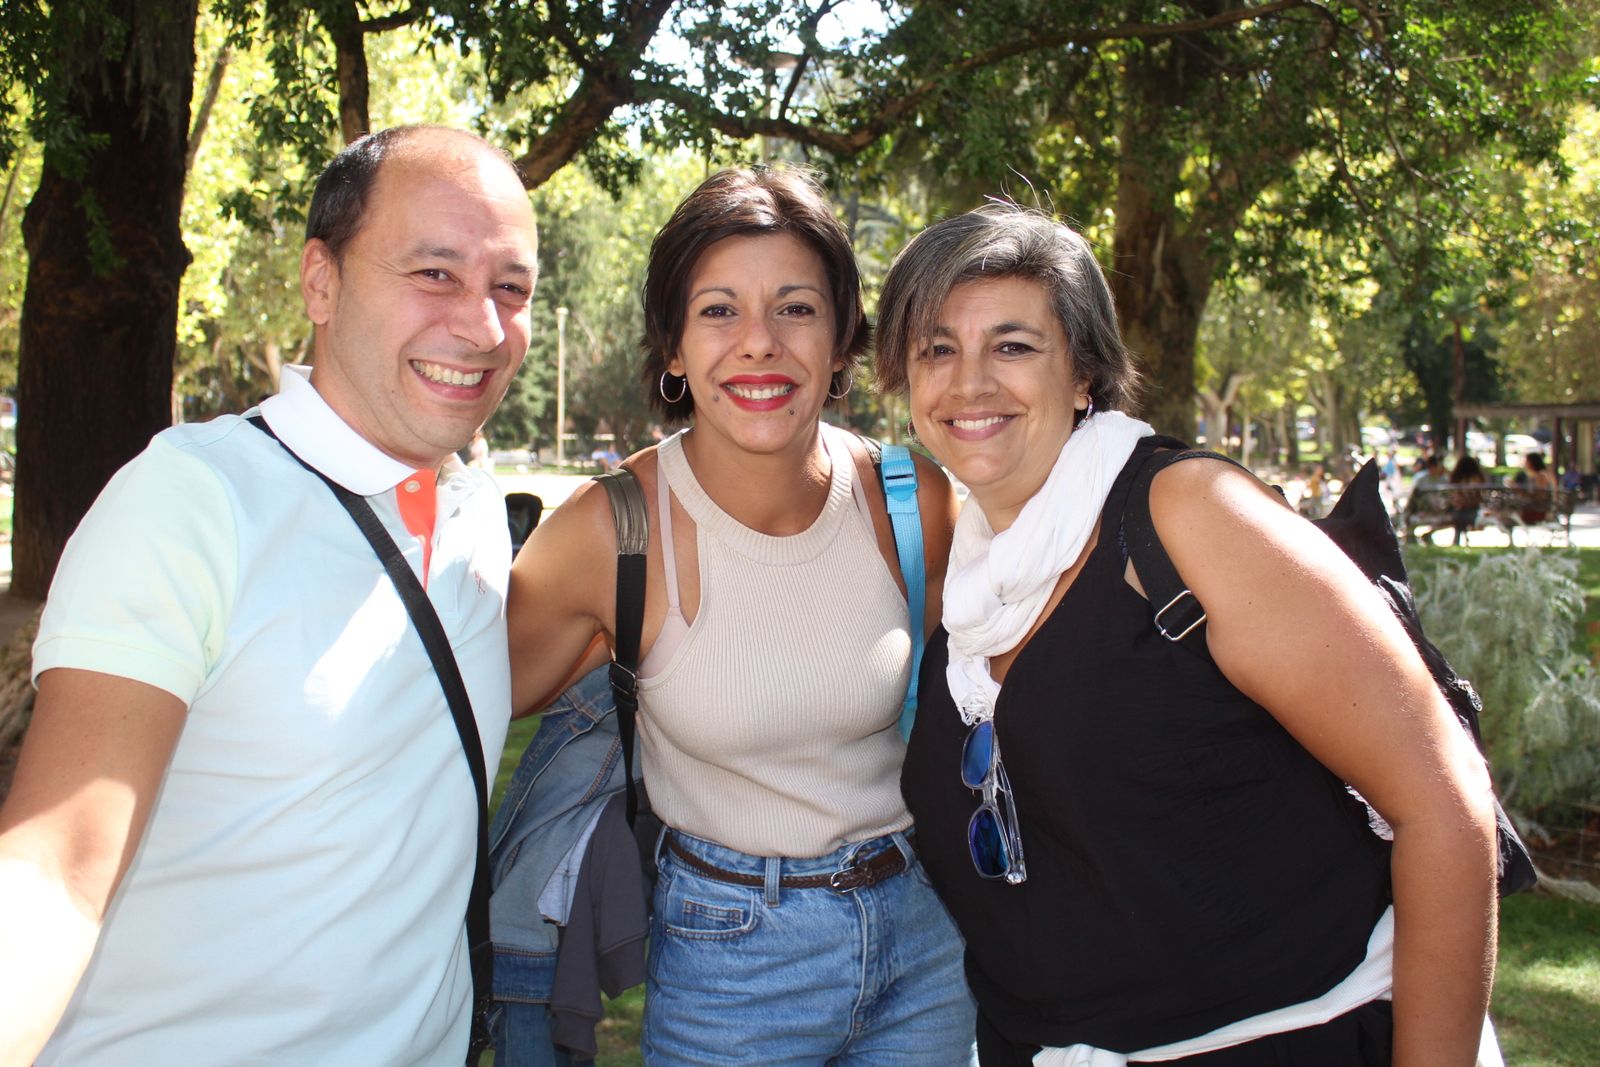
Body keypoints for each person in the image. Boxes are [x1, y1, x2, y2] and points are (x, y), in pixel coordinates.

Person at [874, 205, 1499, 1066]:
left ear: (1085, 372)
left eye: (1013, 345)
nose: (970, 381)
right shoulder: (968, 572)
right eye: (936, 349)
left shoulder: (1185, 516)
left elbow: (1444, 801)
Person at [0, 125, 539, 1064]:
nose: (483, 326)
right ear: (319, 281)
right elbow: (55, 869)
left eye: (512, 288)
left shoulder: (475, 516)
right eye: (434, 274)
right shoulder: (193, 501)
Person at [505, 166, 974, 1064]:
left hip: (924, 934)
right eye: (719, 310)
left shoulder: (915, 503)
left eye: (796, 308)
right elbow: (464, 705)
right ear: (674, 348)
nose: (759, 343)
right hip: (729, 960)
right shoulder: (609, 530)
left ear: (840, 340)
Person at [1447, 454, 1485, 546]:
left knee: (1459, 515)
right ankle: (1462, 538)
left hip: (1461, 510)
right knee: (1462, 514)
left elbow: (1454, 498)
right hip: (1471, 509)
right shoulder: (1477, 478)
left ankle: (1458, 539)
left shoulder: (1456, 478)